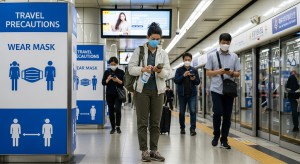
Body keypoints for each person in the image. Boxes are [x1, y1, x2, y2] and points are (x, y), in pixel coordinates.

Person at [128, 22, 171, 162]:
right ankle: (144, 150)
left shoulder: (163, 53)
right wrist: (142, 69)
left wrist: (160, 71)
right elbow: (131, 69)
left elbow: (167, 73)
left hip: (158, 92)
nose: (156, 41)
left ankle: (154, 150)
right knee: (142, 122)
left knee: (155, 122)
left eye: (158, 39)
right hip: (142, 91)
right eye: (153, 38)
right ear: (148, 37)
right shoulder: (139, 51)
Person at [205, 33, 241, 149]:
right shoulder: (212, 56)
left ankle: (224, 139)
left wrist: (231, 73)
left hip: (229, 90)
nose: (225, 44)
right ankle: (216, 135)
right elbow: (208, 72)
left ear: (230, 43)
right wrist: (218, 72)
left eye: (227, 42)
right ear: (219, 42)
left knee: (227, 116)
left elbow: (238, 73)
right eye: (223, 42)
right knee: (218, 113)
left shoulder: (234, 56)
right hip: (216, 89)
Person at [174, 53, 200, 136]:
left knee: (193, 111)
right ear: (183, 60)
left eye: (189, 60)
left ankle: (193, 129)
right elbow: (176, 81)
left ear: (191, 60)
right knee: (182, 112)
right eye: (186, 60)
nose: (187, 61)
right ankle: (182, 127)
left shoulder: (195, 70)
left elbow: (198, 82)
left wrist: (194, 79)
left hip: (192, 95)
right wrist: (183, 76)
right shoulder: (179, 70)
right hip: (182, 95)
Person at [102, 57, 125, 134]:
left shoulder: (121, 72)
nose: (113, 66)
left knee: (118, 109)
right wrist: (108, 80)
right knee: (111, 110)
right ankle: (113, 127)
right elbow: (103, 83)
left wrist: (117, 80)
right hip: (109, 94)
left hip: (118, 94)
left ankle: (118, 126)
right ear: (109, 64)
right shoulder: (106, 72)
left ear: (117, 64)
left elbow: (124, 83)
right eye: (111, 64)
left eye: (114, 64)